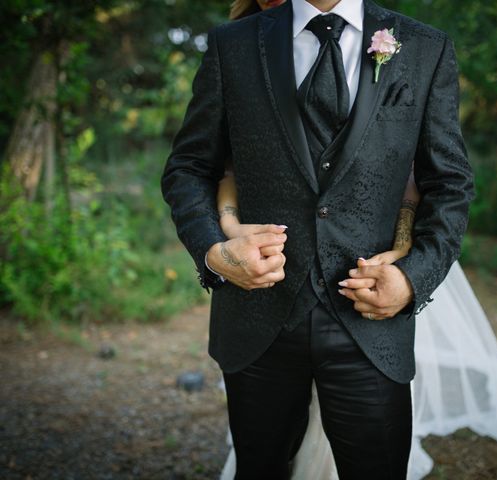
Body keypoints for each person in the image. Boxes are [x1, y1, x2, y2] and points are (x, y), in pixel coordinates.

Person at [162, 0, 476, 478]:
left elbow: (450, 184)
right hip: (257, 316)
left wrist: (413, 279)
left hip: (370, 322)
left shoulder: (424, 47)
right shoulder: (233, 45)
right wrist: (214, 251)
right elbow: (189, 168)